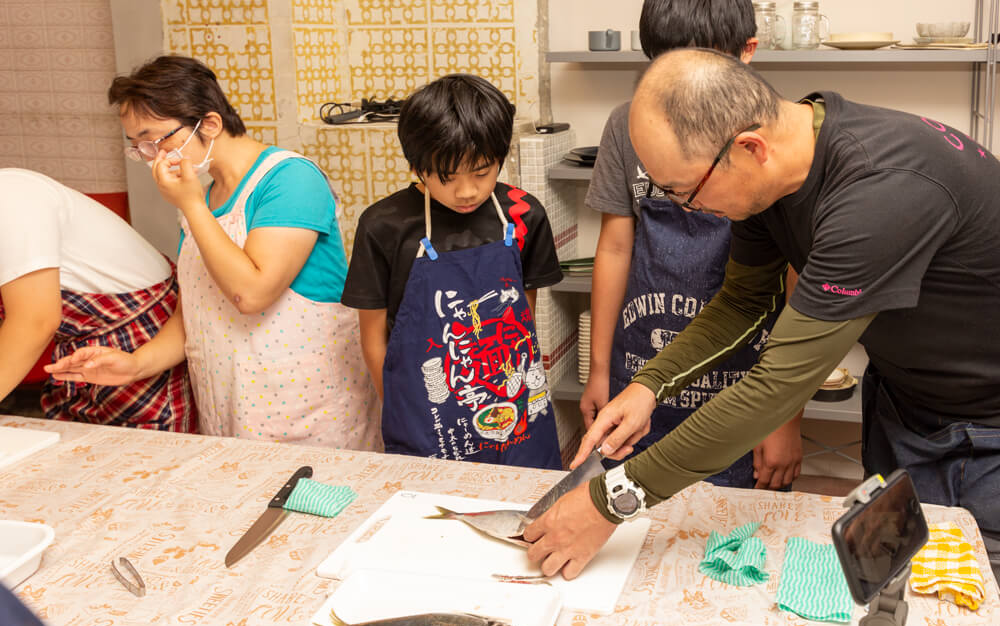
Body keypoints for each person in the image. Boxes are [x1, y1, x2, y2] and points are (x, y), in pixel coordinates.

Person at [524, 48, 1000, 583]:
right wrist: (649, 386)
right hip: (904, 400)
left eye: (687, 192)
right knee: (896, 580)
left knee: (966, 602)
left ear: (749, 148)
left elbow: (776, 386)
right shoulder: (773, 175)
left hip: (983, 430)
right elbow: (741, 305)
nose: (684, 210)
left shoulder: (880, 192)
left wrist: (613, 501)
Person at [46, 55, 380, 449]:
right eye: (140, 148)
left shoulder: (291, 180)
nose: (153, 159)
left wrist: (190, 207)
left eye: (158, 140)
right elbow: (195, 313)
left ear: (210, 124)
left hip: (310, 413)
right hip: (231, 413)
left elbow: (252, 294)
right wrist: (135, 364)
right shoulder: (203, 200)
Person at [581, 0, 802, 489]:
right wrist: (598, 370)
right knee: (631, 513)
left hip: (745, 381)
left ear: (747, 54)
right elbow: (615, 248)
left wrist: (786, 417)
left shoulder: (776, 136)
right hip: (643, 362)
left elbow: (794, 278)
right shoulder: (628, 124)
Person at [342, 74, 564, 468]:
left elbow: (521, 319)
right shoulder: (383, 226)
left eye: (481, 172)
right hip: (427, 419)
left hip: (515, 409)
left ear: (501, 156)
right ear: (417, 165)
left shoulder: (524, 214)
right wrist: (403, 410)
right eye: (447, 177)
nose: (466, 191)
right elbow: (373, 336)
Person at [0, 168, 195, 431]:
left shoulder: (11, 197)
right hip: (76, 345)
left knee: (145, 460)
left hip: (137, 331)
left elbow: (35, 321)